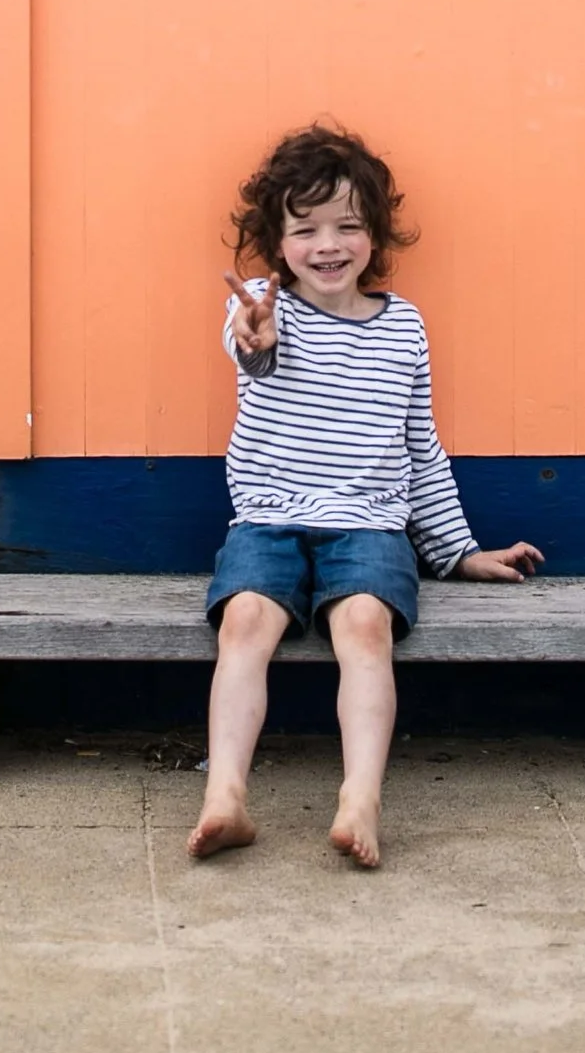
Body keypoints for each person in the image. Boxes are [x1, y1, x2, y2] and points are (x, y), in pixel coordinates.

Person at [188, 117, 543, 871]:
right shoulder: (263, 305)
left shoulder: (403, 328)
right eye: (305, 228)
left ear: (374, 234)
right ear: (276, 242)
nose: (327, 246)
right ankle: (225, 795)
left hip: (370, 529)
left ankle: (361, 798)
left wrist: (456, 552)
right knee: (245, 622)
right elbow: (251, 349)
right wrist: (253, 332)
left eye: (347, 226)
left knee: (365, 629)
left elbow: (422, 448)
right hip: (268, 519)